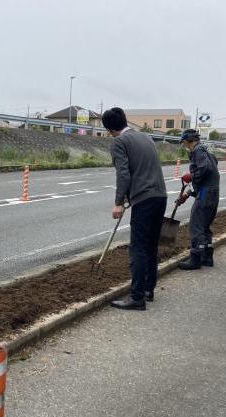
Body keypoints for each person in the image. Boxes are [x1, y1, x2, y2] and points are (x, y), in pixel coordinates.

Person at [102, 107, 168, 310]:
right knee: (151, 246)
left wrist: (119, 202)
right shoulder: (145, 138)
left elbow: (123, 174)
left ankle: (137, 297)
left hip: (145, 199)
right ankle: (148, 289)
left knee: (138, 247)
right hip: (160, 196)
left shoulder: (118, 142)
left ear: (110, 129)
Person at [176, 129, 220, 269]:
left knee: (196, 225)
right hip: (212, 192)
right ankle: (207, 257)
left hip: (206, 194)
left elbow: (204, 169)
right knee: (205, 226)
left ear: (189, 140)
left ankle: (196, 258)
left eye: (184, 143)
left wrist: (191, 176)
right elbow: (208, 174)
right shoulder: (206, 151)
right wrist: (187, 194)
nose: (184, 146)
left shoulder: (198, 150)